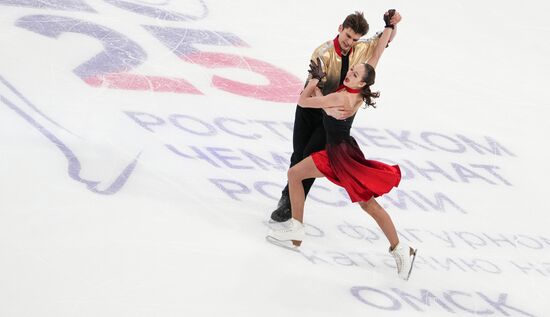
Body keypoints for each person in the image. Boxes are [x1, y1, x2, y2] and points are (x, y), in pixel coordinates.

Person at [267, 17, 417, 280]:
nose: (350, 72)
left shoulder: (342, 96)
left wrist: (314, 81)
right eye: (353, 70)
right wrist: (390, 28)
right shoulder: (356, 90)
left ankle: (298, 230)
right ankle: (297, 230)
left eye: (355, 74)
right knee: (361, 202)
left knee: (361, 201)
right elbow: (379, 51)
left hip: (337, 157)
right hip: (343, 151)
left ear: (361, 83)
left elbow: (304, 101)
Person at [270, 10, 401, 223]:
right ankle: (289, 198)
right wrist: (328, 109)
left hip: (332, 117)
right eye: (348, 36)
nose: (350, 42)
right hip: (312, 108)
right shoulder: (323, 53)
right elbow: (313, 90)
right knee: (298, 153)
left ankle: (290, 205)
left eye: (355, 39)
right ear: (340, 28)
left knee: (309, 157)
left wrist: (391, 25)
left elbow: (380, 46)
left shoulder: (360, 49)